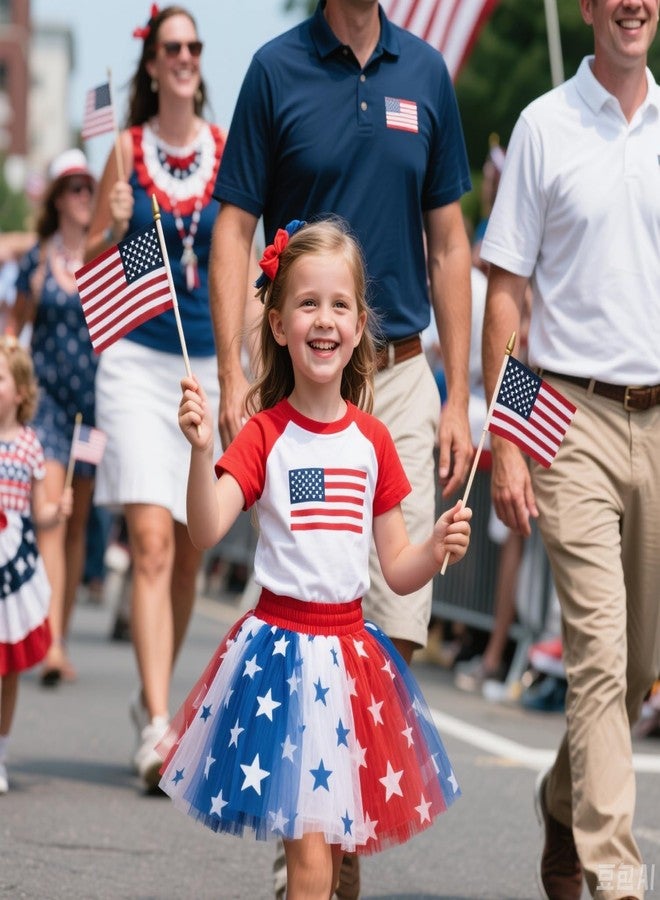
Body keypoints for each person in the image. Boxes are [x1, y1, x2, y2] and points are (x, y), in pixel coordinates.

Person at [159, 218, 471, 900]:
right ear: (276, 324)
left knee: (325, 860)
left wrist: (437, 544)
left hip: (349, 660)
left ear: (360, 325)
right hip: (280, 659)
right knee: (307, 862)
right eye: (306, 304)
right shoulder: (266, 433)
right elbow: (207, 528)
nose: (323, 320)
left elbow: (398, 566)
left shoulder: (374, 442)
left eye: (338, 306)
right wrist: (197, 449)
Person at [480, 0, 660, 895]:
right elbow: (506, 296)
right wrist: (506, 439)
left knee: (636, 670)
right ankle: (617, 876)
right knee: (596, 650)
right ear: (588, 8)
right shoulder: (543, 125)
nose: (634, 5)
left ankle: (562, 799)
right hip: (570, 417)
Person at [85, 4, 226, 792]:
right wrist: (107, 231)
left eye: (194, 46)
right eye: (173, 45)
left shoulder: (225, 147)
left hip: (202, 364)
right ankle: (158, 721)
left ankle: (156, 704)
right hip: (137, 364)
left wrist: (241, 364)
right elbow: (90, 262)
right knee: (150, 541)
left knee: (189, 551)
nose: (185, 56)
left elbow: (239, 249)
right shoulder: (127, 150)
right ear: (151, 61)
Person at [9, 148, 98, 687]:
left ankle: (56, 628)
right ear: (59, 198)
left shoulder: (104, 257)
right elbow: (14, 332)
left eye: (88, 187)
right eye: (74, 188)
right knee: (54, 515)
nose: (83, 196)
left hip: (91, 410)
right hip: (44, 408)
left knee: (79, 524)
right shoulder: (37, 261)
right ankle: (54, 643)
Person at [0, 337, 72, 794]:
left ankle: (1, 750)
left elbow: (38, 511)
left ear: (21, 392)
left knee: (7, 667)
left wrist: (57, 508)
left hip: (13, 562)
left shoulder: (29, 446)